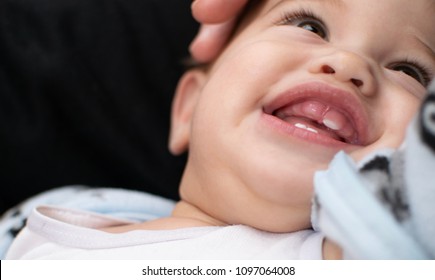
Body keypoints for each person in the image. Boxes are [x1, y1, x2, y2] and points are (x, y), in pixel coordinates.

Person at [5, 0, 435, 259]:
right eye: (310, 25)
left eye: (410, 71)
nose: (349, 65)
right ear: (189, 105)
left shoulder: (363, 257)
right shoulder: (50, 220)